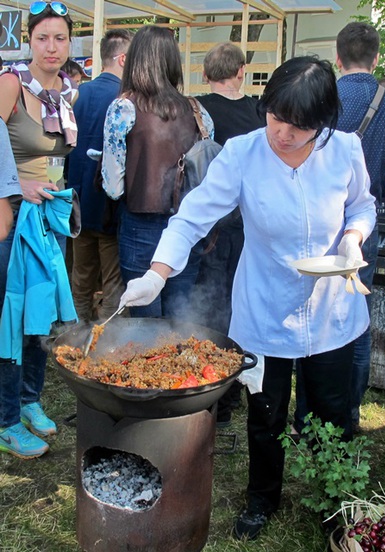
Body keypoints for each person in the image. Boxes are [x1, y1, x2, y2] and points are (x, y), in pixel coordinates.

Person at [117, 56, 376, 540]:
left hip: (332, 308)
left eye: (298, 127)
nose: (282, 133)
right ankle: (263, 497)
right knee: (265, 409)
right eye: (276, 117)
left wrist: (354, 237)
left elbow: (362, 203)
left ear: (322, 124)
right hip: (265, 305)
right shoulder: (242, 154)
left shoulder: (346, 150)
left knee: (332, 408)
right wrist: (158, 271)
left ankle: (334, 496)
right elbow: (193, 216)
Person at [0, 0, 77, 458]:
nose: (52, 46)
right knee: (10, 319)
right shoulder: (10, 83)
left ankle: (29, 399)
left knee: (40, 317)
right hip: (12, 220)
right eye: (43, 37)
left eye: (61, 38)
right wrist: (12, 188)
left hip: (50, 221)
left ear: (71, 43)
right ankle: (6, 418)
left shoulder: (70, 91)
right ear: (29, 40)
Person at [331, 22, 385, 432]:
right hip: (364, 226)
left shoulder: (323, 97)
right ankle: (348, 414)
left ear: (338, 57)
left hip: (315, 220)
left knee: (308, 313)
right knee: (356, 316)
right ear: (377, 59)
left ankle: (307, 414)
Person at [101, 25, 213, 319]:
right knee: (182, 319)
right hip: (189, 228)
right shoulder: (198, 110)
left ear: (136, 58)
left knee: (144, 324)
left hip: (141, 227)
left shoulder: (123, 107)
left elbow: (113, 186)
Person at [194, 42, 266, 427]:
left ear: (206, 73)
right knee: (240, 305)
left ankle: (210, 390)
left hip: (207, 224)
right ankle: (232, 388)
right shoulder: (259, 114)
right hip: (246, 226)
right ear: (241, 71)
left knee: (209, 304)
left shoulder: (197, 110)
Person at [67, 29, 132, 323]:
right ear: (123, 58)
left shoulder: (77, 94)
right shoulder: (126, 100)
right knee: (113, 284)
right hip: (110, 209)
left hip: (77, 204)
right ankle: (104, 344)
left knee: (80, 278)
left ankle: (75, 337)